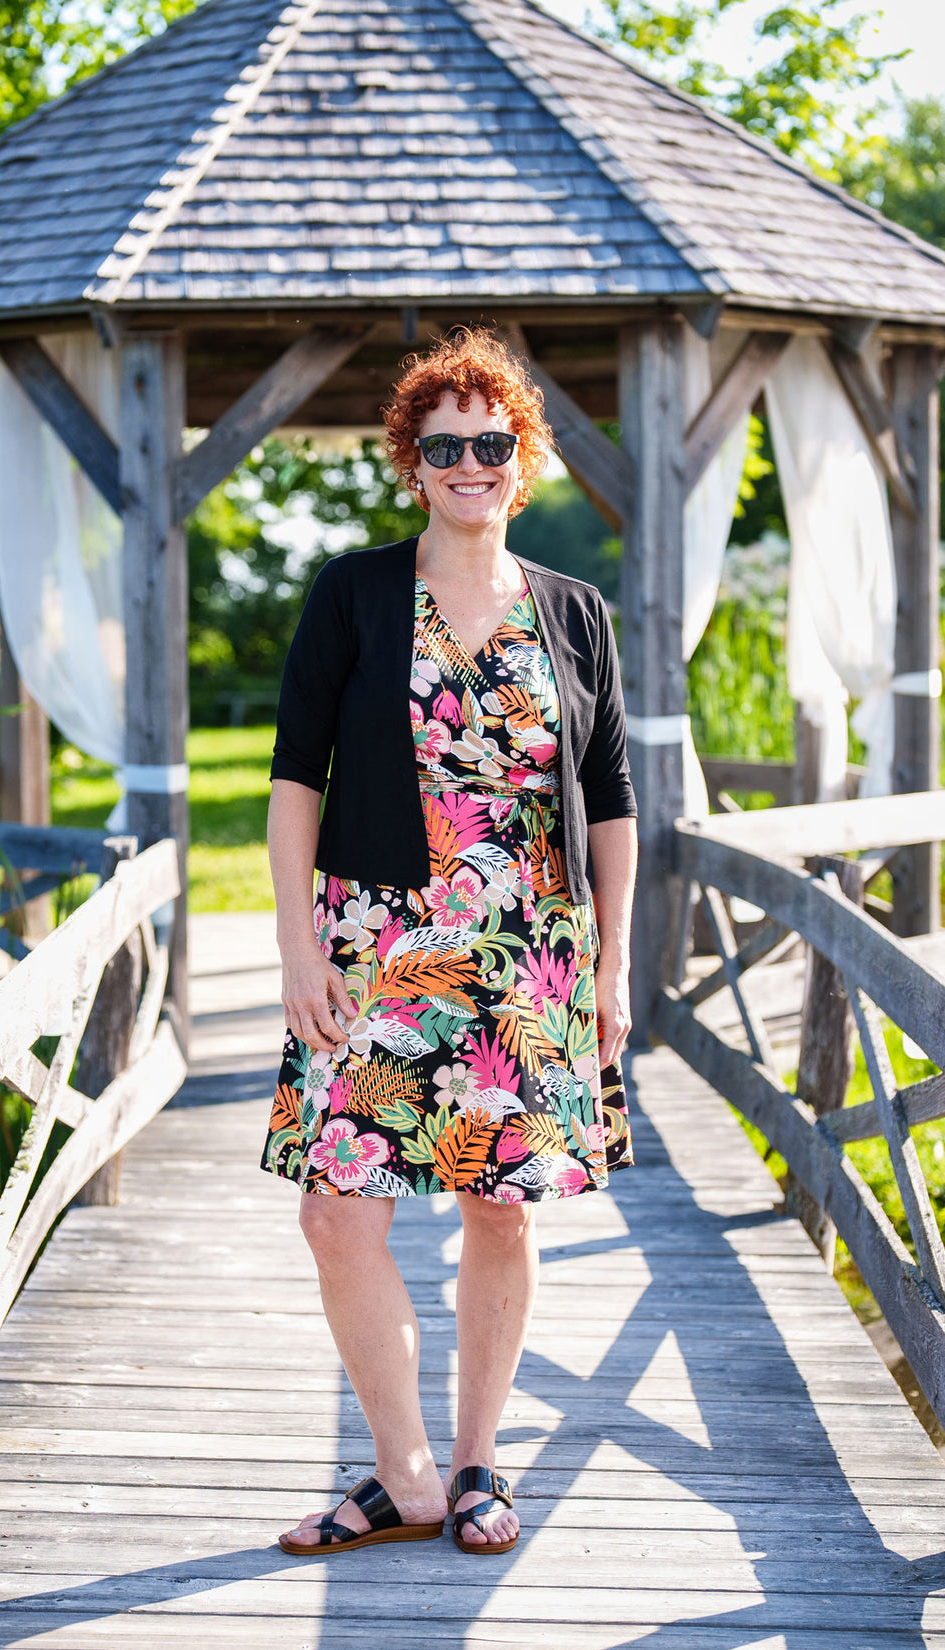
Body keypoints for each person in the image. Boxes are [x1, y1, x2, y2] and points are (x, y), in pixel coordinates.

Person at [261, 328, 638, 1558]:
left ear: (521, 460)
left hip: (528, 946)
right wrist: (295, 950)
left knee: (498, 1210)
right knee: (336, 1215)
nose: (469, 464)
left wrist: (615, 967)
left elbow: (612, 803)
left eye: (491, 443)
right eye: (443, 447)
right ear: (410, 464)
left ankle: (478, 1464)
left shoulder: (575, 613)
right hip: (371, 941)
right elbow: (293, 781)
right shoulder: (353, 593)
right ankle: (404, 1473)